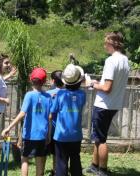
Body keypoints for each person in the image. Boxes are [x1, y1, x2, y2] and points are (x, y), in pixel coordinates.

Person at [85, 31, 129, 176]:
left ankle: (102, 170)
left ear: (112, 43)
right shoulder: (125, 60)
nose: (105, 46)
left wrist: (93, 84)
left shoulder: (111, 60)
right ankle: (94, 165)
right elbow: (111, 84)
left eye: (106, 43)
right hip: (114, 104)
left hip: (104, 104)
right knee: (98, 137)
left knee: (101, 139)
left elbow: (107, 88)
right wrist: (100, 83)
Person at [1, 68, 51, 176]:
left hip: (29, 135)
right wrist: (48, 134)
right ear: (45, 81)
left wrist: (8, 127)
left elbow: (22, 113)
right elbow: (49, 117)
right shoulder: (48, 97)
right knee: (39, 160)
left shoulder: (29, 95)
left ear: (30, 79)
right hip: (42, 135)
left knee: (24, 158)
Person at [51, 64, 86, 176]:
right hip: (76, 135)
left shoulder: (60, 94)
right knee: (75, 159)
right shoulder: (82, 94)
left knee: (61, 162)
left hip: (61, 135)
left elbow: (53, 111)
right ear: (79, 81)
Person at [46, 70, 63, 176]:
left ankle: (55, 169)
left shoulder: (48, 94)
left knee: (54, 151)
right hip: (64, 127)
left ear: (53, 81)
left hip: (52, 127)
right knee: (62, 151)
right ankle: (60, 169)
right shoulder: (67, 93)